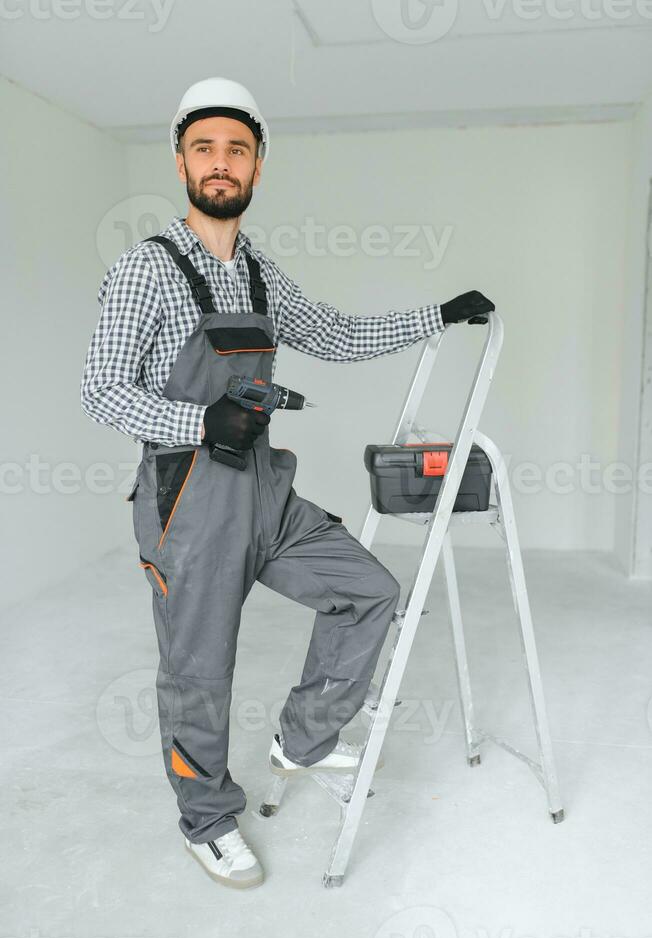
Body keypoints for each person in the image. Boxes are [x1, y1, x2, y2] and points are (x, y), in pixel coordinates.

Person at [80, 77, 494, 890]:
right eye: (205, 148)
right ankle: (206, 820)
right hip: (188, 502)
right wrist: (201, 423)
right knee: (199, 673)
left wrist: (435, 316)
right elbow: (101, 388)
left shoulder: (261, 272)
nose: (221, 163)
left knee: (369, 592)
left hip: (265, 489)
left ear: (258, 166)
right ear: (181, 162)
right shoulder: (145, 270)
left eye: (237, 149)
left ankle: (301, 739)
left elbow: (335, 334)